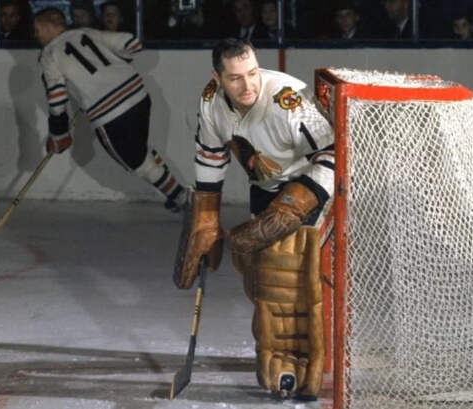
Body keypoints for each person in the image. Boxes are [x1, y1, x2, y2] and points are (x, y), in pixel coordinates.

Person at [174, 38, 334, 400]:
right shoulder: (211, 101)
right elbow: (211, 155)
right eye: (235, 78)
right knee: (259, 280)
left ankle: (294, 362)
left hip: (308, 183)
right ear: (217, 78)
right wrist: (206, 218)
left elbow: (336, 152)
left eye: (252, 73)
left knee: (285, 275)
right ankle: (285, 348)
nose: (247, 85)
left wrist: (295, 204)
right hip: (264, 187)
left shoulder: (288, 100)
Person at [33, 7, 188, 211]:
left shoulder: (49, 55)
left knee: (137, 163)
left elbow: (56, 99)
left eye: (37, 30)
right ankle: (174, 190)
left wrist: (59, 134)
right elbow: (132, 43)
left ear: (48, 27)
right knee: (141, 150)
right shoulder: (84, 32)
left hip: (111, 113)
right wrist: (113, 68)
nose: (35, 35)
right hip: (138, 95)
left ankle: (183, 199)